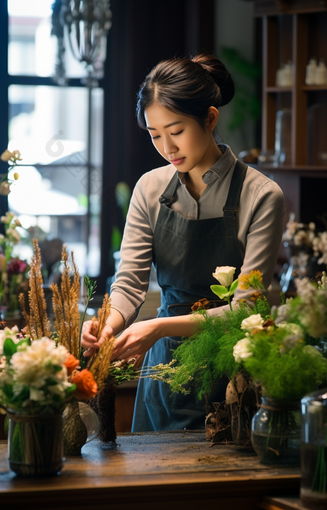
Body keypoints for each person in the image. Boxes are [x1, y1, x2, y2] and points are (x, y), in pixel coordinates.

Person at [81, 53, 285, 432]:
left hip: (231, 372)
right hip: (163, 375)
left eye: (176, 131)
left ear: (210, 118)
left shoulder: (261, 195)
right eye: (155, 135)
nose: (166, 148)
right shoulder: (150, 187)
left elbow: (245, 310)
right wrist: (108, 324)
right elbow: (129, 283)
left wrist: (159, 327)